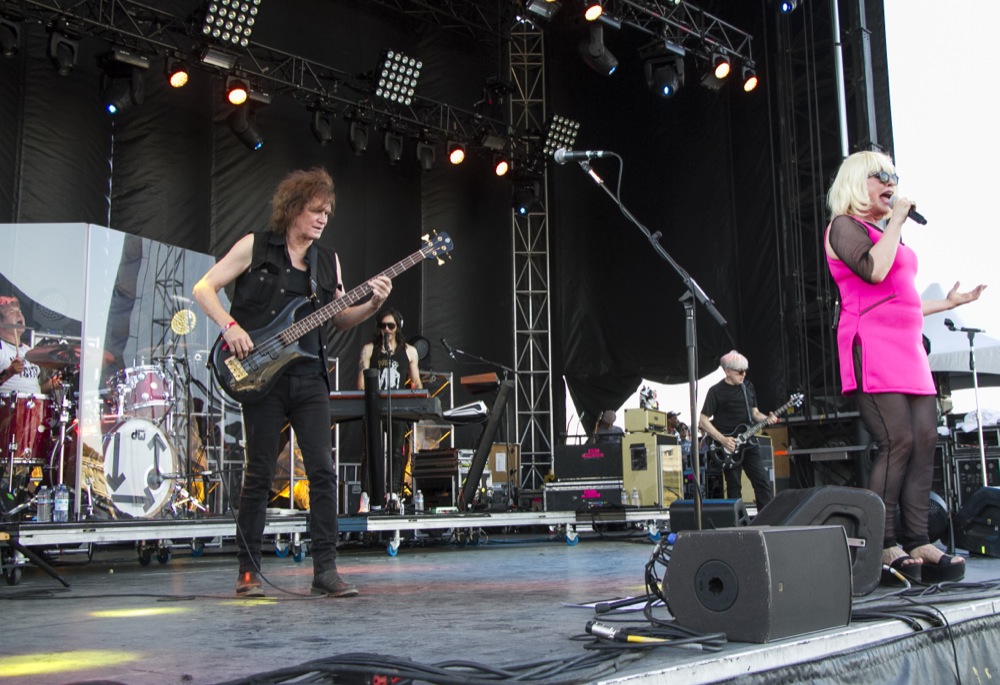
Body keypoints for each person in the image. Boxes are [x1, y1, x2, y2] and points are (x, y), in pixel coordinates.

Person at [193, 167, 391, 598]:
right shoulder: (255, 246)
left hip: (308, 376)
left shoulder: (327, 260)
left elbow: (338, 318)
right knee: (259, 473)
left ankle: (326, 569)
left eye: (327, 212)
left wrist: (373, 304)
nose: (322, 219)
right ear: (293, 209)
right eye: (315, 210)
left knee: (322, 470)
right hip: (260, 376)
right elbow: (204, 288)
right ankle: (248, 570)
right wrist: (229, 326)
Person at [825, 150, 984, 584]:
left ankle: (918, 538)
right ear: (859, 182)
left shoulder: (886, 230)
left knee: (925, 438)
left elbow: (903, 297)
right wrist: (895, 220)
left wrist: (947, 304)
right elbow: (874, 273)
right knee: (895, 440)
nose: (891, 181)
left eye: (894, 175)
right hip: (872, 346)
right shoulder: (844, 227)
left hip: (908, 347)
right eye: (881, 175)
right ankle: (882, 541)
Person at [357, 307, 422, 502]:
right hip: (374, 407)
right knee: (370, 452)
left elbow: (416, 380)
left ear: (398, 327)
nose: (386, 329)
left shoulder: (409, 351)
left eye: (390, 325)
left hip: (397, 408)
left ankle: (393, 493)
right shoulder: (369, 349)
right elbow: (361, 382)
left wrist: (417, 396)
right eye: (382, 325)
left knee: (396, 452)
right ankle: (366, 495)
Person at [698, 350, 777, 508]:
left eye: (745, 371)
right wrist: (723, 439)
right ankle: (738, 526)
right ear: (727, 371)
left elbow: (754, 413)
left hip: (749, 443)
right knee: (734, 488)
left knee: (762, 482)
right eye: (740, 372)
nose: (743, 375)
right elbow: (703, 420)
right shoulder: (716, 391)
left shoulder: (747, 387)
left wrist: (767, 418)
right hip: (728, 446)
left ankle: (768, 521)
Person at [0, 297, 61, 395]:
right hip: (8, 409)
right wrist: (9, 372)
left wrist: (51, 384)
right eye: (11, 311)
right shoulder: (1, 348)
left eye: (19, 311)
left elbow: (32, 392)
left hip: (32, 408)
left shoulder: (29, 351)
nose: (19, 314)